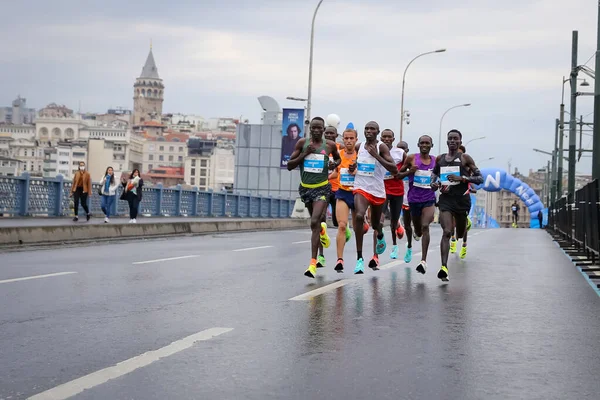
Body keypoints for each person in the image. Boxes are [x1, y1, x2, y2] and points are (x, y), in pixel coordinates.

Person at [287, 116, 341, 278]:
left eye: (319, 128)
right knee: (315, 225)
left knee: (315, 220)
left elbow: (338, 158)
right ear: (310, 130)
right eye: (313, 128)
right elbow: (290, 165)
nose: (316, 131)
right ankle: (322, 235)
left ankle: (312, 263)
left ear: (324, 130)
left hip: (322, 188)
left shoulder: (329, 145)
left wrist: (334, 164)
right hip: (306, 189)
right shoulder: (302, 143)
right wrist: (305, 154)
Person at [431, 129, 483, 281]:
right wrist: (433, 184)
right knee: (447, 232)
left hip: (461, 200)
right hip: (446, 200)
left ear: (460, 142)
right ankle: (444, 267)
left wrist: (463, 178)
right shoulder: (440, 159)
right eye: (450, 139)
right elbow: (434, 175)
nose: (452, 141)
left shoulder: (465, 158)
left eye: (456, 139)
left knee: (459, 234)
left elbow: (480, 178)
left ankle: (465, 224)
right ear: (447, 142)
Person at [352, 121, 398, 274]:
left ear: (377, 132)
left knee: (376, 224)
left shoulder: (381, 147)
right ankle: (359, 258)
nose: (369, 131)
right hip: (361, 187)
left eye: (372, 129)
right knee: (359, 216)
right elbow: (355, 163)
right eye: (366, 128)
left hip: (377, 191)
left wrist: (376, 156)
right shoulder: (358, 147)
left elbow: (393, 169)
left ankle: (380, 233)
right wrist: (353, 167)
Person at [397, 135, 437, 275]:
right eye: (422, 143)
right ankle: (416, 232)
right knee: (419, 230)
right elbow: (398, 175)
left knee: (425, 226)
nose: (425, 145)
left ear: (431, 145)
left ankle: (423, 261)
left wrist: (437, 184)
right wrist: (410, 171)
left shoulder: (435, 161)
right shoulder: (412, 158)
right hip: (414, 200)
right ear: (418, 144)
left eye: (427, 143)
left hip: (429, 199)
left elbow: (440, 177)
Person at [333, 127, 358, 272]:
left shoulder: (360, 155)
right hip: (342, 192)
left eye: (351, 138)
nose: (348, 141)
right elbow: (335, 173)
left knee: (358, 227)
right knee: (341, 225)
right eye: (346, 138)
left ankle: (359, 257)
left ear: (356, 139)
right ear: (343, 139)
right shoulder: (339, 155)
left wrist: (356, 172)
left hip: (357, 193)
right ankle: (340, 260)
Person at [380, 129, 406, 260]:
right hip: (382, 189)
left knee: (394, 221)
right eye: (384, 137)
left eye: (389, 137)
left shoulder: (400, 153)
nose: (386, 139)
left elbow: (407, 166)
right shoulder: (377, 150)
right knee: (380, 218)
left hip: (397, 190)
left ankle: (395, 246)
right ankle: (380, 235)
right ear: (380, 137)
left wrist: (399, 172)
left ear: (393, 139)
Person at [449, 145, 474, 259]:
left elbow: (473, 182)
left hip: (464, 198)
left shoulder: (467, 167)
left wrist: (472, 188)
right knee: (452, 221)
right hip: (452, 197)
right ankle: (453, 240)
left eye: (459, 153)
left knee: (462, 224)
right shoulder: (449, 165)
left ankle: (464, 244)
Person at [398, 141, 414, 263]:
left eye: (404, 149)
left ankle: (410, 242)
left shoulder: (412, 164)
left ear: (407, 150)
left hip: (413, 199)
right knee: (406, 224)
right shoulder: (393, 163)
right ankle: (409, 247)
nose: (401, 151)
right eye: (399, 149)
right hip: (399, 198)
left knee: (412, 226)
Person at [325, 126, 340, 229]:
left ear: (336, 135)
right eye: (327, 133)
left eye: (332, 133)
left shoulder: (341, 148)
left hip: (337, 188)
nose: (329, 135)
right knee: (320, 217)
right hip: (322, 187)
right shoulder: (319, 148)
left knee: (336, 221)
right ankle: (321, 238)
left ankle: (343, 227)